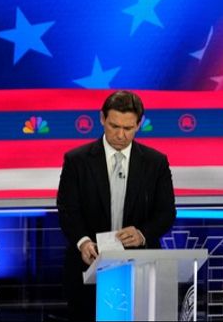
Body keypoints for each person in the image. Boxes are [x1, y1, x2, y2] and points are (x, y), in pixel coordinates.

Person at [56, 90, 176, 321]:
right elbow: (68, 210)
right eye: (114, 126)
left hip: (140, 268)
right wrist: (83, 242)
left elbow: (166, 212)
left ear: (139, 124)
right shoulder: (77, 160)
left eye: (128, 128)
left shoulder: (156, 162)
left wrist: (142, 234)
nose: (120, 135)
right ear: (102, 118)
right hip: (88, 268)